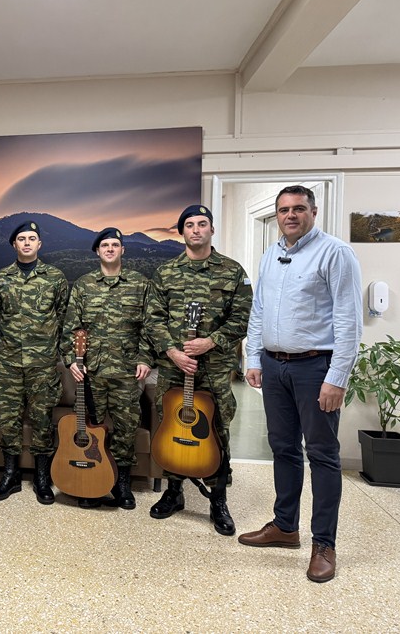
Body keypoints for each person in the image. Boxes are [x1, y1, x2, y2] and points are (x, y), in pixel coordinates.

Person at [239, 185, 362, 583]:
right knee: (283, 448)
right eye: (283, 210)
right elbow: (258, 310)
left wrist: (336, 378)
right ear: (277, 215)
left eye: (298, 208)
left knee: (322, 455)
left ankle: (323, 544)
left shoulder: (335, 253)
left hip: (315, 368)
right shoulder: (271, 254)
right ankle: (284, 526)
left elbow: (348, 320)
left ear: (313, 211)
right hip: (274, 367)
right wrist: (253, 358)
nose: (290, 215)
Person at [144, 205, 252, 535]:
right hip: (174, 367)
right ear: (182, 232)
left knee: (216, 427)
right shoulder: (165, 273)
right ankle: (174, 492)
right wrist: (173, 352)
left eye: (202, 224)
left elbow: (244, 317)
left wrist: (211, 342)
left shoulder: (232, 272)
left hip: (214, 368)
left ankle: (218, 499)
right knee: (171, 425)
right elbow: (153, 319)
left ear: (211, 230)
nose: (195, 230)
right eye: (189, 225)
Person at [61, 228, 153, 509]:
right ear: (97, 252)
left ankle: (122, 483)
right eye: (105, 245)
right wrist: (71, 360)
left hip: (127, 371)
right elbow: (71, 327)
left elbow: (151, 326)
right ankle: (91, 481)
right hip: (92, 373)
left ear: (122, 250)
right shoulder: (84, 285)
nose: (110, 249)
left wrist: (145, 358)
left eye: (115, 244)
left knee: (126, 427)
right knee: (91, 427)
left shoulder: (140, 284)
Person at [0, 221, 69, 504]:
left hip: (42, 363)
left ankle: (42, 478)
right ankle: (10, 476)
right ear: (14, 244)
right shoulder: (1, 278)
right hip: (9, 362)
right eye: (21, 239)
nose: (26, 243)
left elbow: (62, 315)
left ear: (39, 244)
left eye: (32, 238)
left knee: (42, 420)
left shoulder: (55, 278)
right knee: (8, 419)